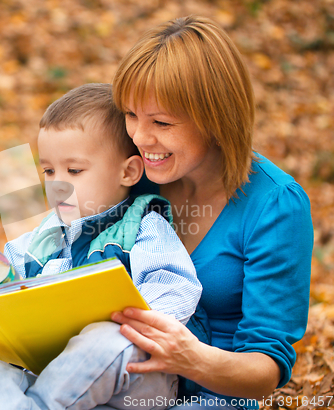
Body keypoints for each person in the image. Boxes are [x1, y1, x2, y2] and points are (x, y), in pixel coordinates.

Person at [0, 83, 202, 410]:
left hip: (133, 374)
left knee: (102, 341)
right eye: (48, 170)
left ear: (128, 171)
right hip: (50, 370)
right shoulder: (39, 240)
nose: (58, 184)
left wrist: (129, 322)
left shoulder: (143, 224)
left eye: (74, 170)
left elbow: (176, 287)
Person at [108, 15, 313, 410]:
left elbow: (265, 370)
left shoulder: (275, 204)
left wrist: (190, 357)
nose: (139, 137)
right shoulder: (133, 175)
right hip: (116, 383)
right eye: (131, 115)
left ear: (216, 117)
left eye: (161, 122)